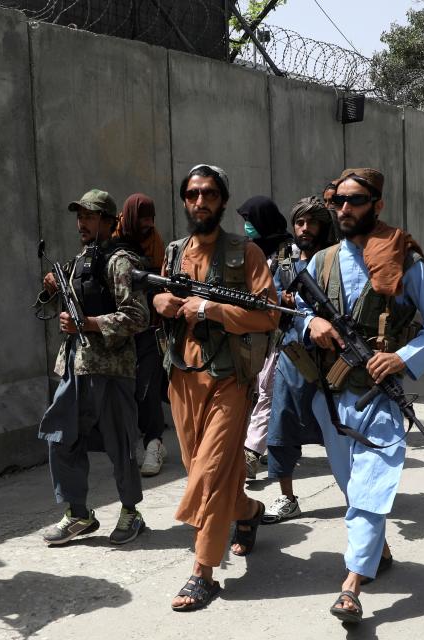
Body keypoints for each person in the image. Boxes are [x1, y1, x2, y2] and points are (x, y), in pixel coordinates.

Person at [298, 168, 424, 623]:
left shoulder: (403, 258)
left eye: (356, 201)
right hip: (331, 394)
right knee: (352, 485)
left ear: (377, 204)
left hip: (378, 395)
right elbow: (293, 315)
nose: (345, 209)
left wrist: (402, 357)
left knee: (370, 487)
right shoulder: (320, 261)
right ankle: (376, 548)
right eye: (338, 201)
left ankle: (351, 585)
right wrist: (312, 324)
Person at [153, 164, 279, 611]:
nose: (200, 201)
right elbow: (161, 299)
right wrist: (160, 302)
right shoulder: (174, 252)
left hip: (229, 378)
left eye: (209, 194)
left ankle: (202, 572)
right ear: (185, 200)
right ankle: (248, 513)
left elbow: (268, 316)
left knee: (209, 471)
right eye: (192, 194)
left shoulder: (246, 253)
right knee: (209, 472)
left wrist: (212, 309)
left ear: (223, 200)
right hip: (182, 378)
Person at [37, 189, 149, 546]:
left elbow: (138, 316)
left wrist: (88, 323)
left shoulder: (120, 261)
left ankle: (131, 512)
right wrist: (55, 290)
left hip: (111, 367)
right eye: (79, 216)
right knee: (60, 436)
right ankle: (78, 513)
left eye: (89, 216)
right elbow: (70, 309)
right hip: (75, 365)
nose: (81, 223)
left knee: (121, 442)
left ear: (108, 220)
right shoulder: (83, 258)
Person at [261, 196, 335, 524]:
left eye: (311, 222)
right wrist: (281, 301)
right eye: (299, 223)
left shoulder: (336, 260)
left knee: (342, 427)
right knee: (282, 426)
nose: (304, 229)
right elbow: (270, 306)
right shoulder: (285, 262)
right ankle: (287, 497)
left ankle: (361, 494)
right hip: (293, 355)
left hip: (334, 356)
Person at [113, 193, 169, 477]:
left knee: (147, 389)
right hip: (119, 331)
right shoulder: (113, 241)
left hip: (149, 329)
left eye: (152, 218)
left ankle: (154, 442)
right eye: (142, 218)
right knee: (128, 392)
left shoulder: (156, 243)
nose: (147, 224)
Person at [237, 196, 292, 479]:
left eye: (250, 221)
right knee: (259, 390)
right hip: (257, 332)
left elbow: (291, 292)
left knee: (267, 392)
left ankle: (251, 453)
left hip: (282, 333)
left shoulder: (286, 253)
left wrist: (272, 298)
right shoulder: (253, 251)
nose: (246, 226)